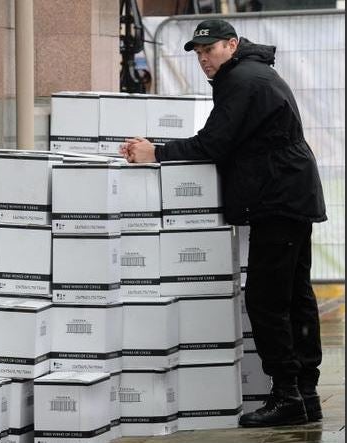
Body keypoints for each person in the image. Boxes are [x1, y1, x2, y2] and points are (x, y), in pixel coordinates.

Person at [120, 19, 327, 427]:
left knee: (267, 299)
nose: (203, 59)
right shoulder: (253, 72)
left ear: (231, 45)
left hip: (278, 196)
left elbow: (213, 143)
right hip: (289, 191)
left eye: (209, 50)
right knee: (293, 295)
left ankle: (288, 394)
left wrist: (155, 152)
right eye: (198, 53)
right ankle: (304, 393)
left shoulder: (243, 80)